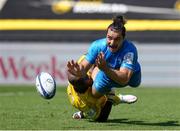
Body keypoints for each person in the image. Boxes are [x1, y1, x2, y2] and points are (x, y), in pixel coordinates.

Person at [67, 15, 141, 120]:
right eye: (109, 38)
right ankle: (111, 97)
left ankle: (110, 96)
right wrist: (80, 72)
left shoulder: (130, 50)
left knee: (135, 83)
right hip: (105, 71)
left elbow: (124, 79)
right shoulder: (97, 46)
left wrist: (105, 68)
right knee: (95, 95)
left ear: (123, 39)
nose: (112, 43)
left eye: (117, 39)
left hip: (122, 73)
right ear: (106, 35)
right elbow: (83, 66)